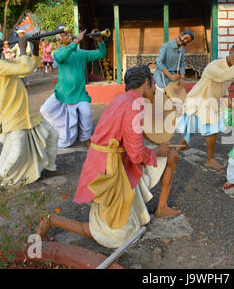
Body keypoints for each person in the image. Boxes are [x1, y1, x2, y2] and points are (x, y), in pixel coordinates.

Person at [37, 65, 180, 249]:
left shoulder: (122, 99)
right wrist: (156, 152)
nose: (154, 89)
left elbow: (131, 136)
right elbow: (137, 154)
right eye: (154, 85)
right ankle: (51, 220)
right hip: (109, 171)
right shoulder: (134, 106)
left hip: (107, 161)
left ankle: (161, 209)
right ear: (146, 82)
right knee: (116, 238)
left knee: (172, 155)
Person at [0, 25, 61, 185]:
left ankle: (50, 169)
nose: (0, 40)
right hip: (13, 115)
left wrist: (35, 47)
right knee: (16, 152)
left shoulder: (3, 62)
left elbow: (27, 68)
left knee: (53, 136)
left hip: (26, 112)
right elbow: (25, 66)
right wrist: (23, 48)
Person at [177, 41, 234, 170]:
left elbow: (224, 87)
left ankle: (182, 144)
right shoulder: (214, 66)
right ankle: (210, 159)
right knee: (209, 128)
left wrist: (228, 102)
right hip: (199, 100)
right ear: (231, 50)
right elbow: (223, 76)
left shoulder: (231, 69)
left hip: (210, 102)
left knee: (195, 126)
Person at [40, 28, 106, 149]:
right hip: (61, 93)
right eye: (65, 34)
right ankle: (56, 131)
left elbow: (101, 54)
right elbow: (60, 58)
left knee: (86, 113)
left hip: (79, 94)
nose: (69, 35)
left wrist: (100, 40)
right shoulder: (58, 53)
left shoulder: (81, 53)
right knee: (44, 110)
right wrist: (75, 42)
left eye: (70, 33)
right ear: (59, 40)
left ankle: (85, 138)